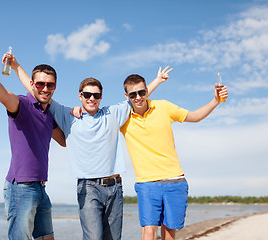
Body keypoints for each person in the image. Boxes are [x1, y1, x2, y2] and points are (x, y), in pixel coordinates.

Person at [14, 59, 172, 240]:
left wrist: (157, 81)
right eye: (87, 95)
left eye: (96, 96)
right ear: (80, 96)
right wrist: (16, 66)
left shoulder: (112, 114)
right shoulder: (67, 115)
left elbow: (138, 97)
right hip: (87, 188)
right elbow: (39, 89)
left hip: (115, 187)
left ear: (101, 97)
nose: (91, 99)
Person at [0, 48, 66, 240]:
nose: (45, 88)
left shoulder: (48, 116)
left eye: (50, 85)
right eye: (40, 84)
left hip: (40, 188)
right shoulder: (22, 105)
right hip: (20, 187)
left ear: (54, 87)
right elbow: (3, 94)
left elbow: (64, 140)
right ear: (32, 84)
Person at [120, 72, 229, 240]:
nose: (138, 97)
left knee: (169, 233)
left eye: (142, 92)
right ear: (127, 96)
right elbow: (97, 115)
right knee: (148, 231)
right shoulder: (123, 117)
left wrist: (215, 100)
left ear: (146, 91)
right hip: (147, 184)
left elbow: (195, 116)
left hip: (175, 181)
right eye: (133, 94)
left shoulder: (163, 107)